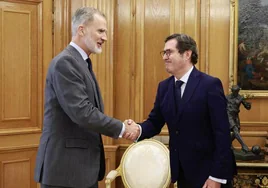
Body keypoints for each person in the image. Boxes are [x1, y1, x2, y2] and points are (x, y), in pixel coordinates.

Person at [34, 7, 139, 188]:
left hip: (79, 171)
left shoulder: (80, 62)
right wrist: (122, 128)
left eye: (105, 32)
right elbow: (82, 112)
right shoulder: (65, 62)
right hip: (65, 171)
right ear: (81, 30)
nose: (105, 37)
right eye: (100, 31)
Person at [127, 33, 237, 188]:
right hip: (182, 173)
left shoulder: (210, 85)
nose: (165, 57)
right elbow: (154, 122)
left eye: (169, 52)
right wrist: (136, 129)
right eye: (164, 53)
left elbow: (222, 133)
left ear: (187, 54)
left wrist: (216, 177)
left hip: (209, 175)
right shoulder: (164, 87)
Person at [226, 85, 251, 153]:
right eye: (234, 92)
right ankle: (244, 146)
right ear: (232, 91)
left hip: (235, 115)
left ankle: (227, 143)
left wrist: (248, 105)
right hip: (228, 115)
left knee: (237, 131)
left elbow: (247, 107)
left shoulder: (240, 98)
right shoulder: (227, 97)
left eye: (237, 92)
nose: (236, 93)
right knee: (235, 129)